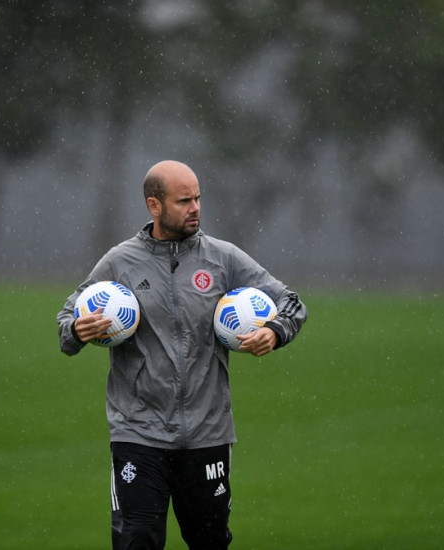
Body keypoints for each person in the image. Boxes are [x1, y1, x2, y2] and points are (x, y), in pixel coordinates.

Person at [57, 160, 307, 550]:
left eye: (198, 198)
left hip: (207, 436)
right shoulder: (119, 263)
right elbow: (67, 321)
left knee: (210, 543)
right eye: (184, 200)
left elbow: (291, 302)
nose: (195, 208)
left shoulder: (222, 259)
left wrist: (275, 332)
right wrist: (75, 330)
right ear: (154, 206)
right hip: (138, 435)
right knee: (136, 542)